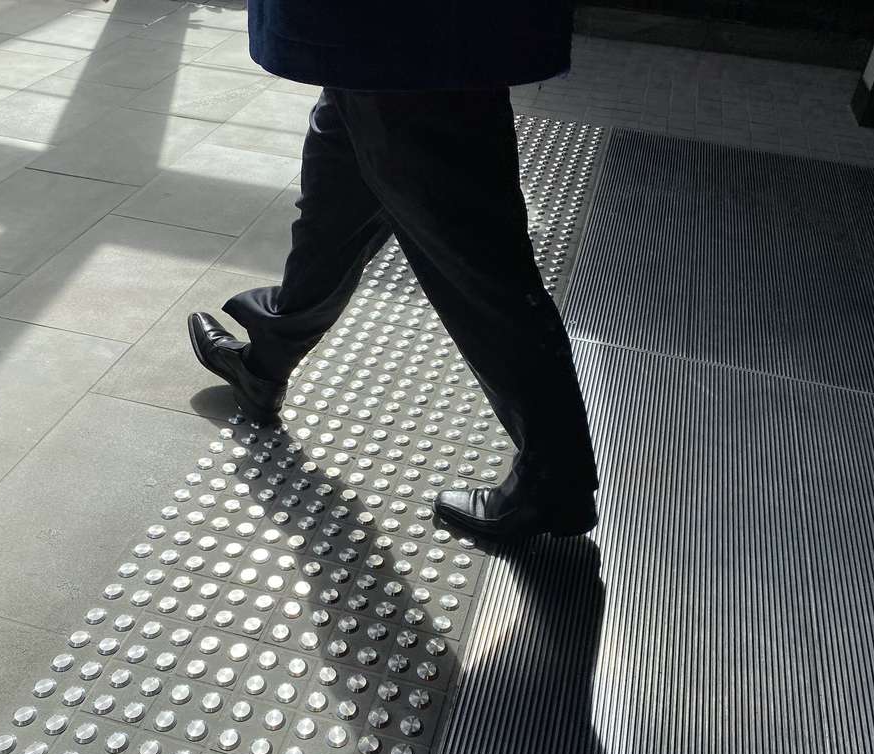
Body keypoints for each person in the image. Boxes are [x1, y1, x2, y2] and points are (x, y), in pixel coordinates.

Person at [189, 0, 599, 539]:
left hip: (406, 30)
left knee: (473, 254)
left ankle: (554, 477)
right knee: (336, 194)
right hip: (380, 35)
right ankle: (265, 360)